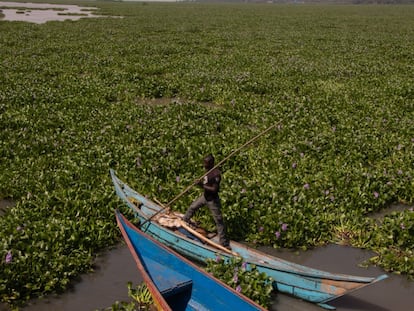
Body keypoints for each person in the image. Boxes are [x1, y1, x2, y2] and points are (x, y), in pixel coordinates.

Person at [182, 154, 230, 249]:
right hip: (205, 197)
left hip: (212, 200)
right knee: (192, 207)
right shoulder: (208, 170)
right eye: (204, 162)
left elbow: (214, 189)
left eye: (206, 163)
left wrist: (201, 185)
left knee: (219, 220)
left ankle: (223, 243)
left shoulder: (216, 174)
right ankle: (184, 222)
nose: (204, 164)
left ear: (211, 163)